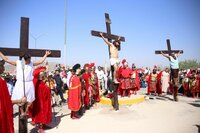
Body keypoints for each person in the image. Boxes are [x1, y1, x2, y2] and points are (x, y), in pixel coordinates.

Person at [0, 50, 51, 118]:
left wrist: (46, 55)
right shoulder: (18, 62)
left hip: (29, 83)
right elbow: (6, 59)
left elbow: (40, 62)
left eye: (30, 59)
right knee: (20, 99)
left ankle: (25, 112)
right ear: (24, 59)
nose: (29, 61)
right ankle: (22, 112)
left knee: (29, 100)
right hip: (20, 83)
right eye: (28, 60)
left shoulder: (31, 63)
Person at [0, 60, 27, 133]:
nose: (4, 68)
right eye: (2, 66)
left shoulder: (2, 81)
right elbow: (6, 102)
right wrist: (20, 100)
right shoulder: (1, 82)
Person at [28, 66, 52, 133]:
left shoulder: (43, 82)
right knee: (41, 112)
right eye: (42, 74)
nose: (44, 75)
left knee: (45, 111)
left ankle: (44, 124)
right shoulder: (37, 83)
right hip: (40, 101)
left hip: (45, 100)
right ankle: (40, 127)